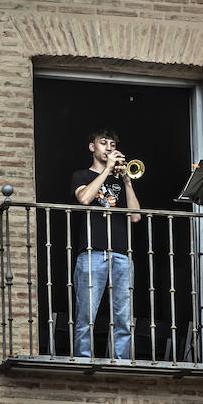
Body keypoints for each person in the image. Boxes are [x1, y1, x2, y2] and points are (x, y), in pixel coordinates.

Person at [71, 128, 142, 359]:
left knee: (123, 315)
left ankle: (121, 360)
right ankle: (83, 358)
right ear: (92, 147)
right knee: (86, 313)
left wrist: (127, 182)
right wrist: (108, 170)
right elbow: (84, 199)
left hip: (121, 254)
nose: (109, 147)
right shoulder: (81, 175)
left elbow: (135, 216)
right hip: (92, 252)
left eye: (112, 144)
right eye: (103, 143)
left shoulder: (120, 180)